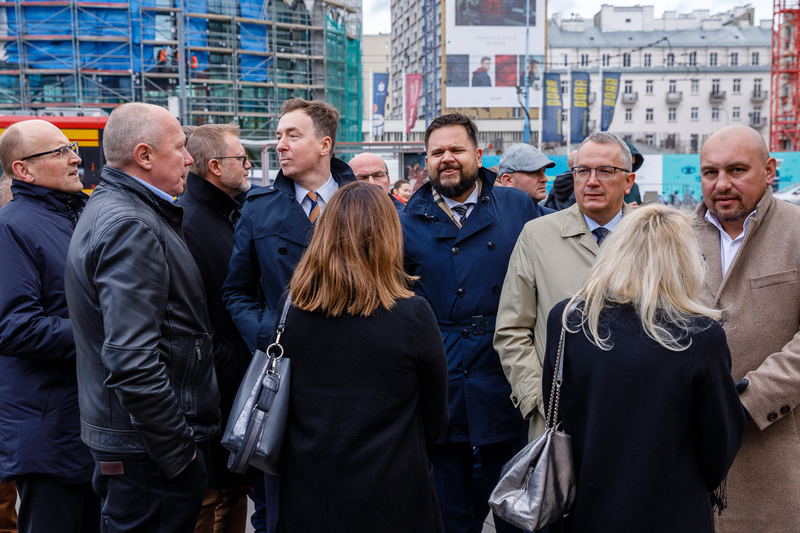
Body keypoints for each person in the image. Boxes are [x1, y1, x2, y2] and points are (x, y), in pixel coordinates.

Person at [65, 102, 221, 533]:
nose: (190, 158)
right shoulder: (131, 223)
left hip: (138, 446)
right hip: (149, 453)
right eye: (180, 147)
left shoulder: (124, 210)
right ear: (144, 155)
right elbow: (132, 360)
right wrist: (178, 453)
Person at [543, 204, 746, 532]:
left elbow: (557, 408)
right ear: (684, 260)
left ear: (616, 250)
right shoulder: (699, 336)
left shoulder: (567, 319)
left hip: (580, 509)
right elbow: (717, 451)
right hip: (668, 514)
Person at [278, 181, 449, 533]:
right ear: (388, 236)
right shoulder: (413, 314)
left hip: (309, 487)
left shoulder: (293, 310)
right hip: (393, 489)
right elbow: (434, 415)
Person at [400, 113, 542, 533]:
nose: (447, 159)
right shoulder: (406, 220)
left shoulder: (518, 205)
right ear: (424, 162)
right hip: (441, 374)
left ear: (479, 155)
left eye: (456, 150)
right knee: (450, 511)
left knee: (518, 507)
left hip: (506, 371)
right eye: (437, 152)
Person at [223, 98, 355, 533]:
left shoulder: (366, 204)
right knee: (280, 506)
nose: (280, 144)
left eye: (292, 135)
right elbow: (236, 291)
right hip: (285, 377)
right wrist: (267, 335)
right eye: (278, 136)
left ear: (325, 144)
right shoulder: (259, 207)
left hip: (356, 371)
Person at [495, 131, 636, 440]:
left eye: (605, 171)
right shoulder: (537, 235)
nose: (592, 181)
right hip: (558, 424)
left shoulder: (651, 238)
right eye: (582, 171)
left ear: (628, 181)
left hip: (638, 417)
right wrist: (537, 399)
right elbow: (511, 329)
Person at [693, 125, 800, 532]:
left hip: (774, 447)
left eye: (736, 170)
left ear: (770, 170)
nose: (721, 184)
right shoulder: (674, 239)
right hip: (690, 451)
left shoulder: (796, 230)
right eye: (709, 173)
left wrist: (745, 400)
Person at [0, 120, 98, 533]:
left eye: (71, 147)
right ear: (24, 170)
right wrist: (105, 334)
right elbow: (14, 327)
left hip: (86, 421)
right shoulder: (12, 227)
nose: (76, 158)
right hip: (49, 429)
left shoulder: (78, 214)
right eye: (59, 152)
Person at [176, 122, 256, 533]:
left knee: (233, 494)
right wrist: (227, 360)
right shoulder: (189, 222)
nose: (248, 166)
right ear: (213, 166)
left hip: (233, 381)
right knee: (208, 498)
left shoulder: (231, 212)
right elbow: (193, 318)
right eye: (241, 159)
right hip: (211, 390)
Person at [499, 143, 556, 210]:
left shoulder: (554, 219)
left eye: (543, 171)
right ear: (508, 180)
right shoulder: (488, 218)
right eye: (534, 172)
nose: (545, 179)